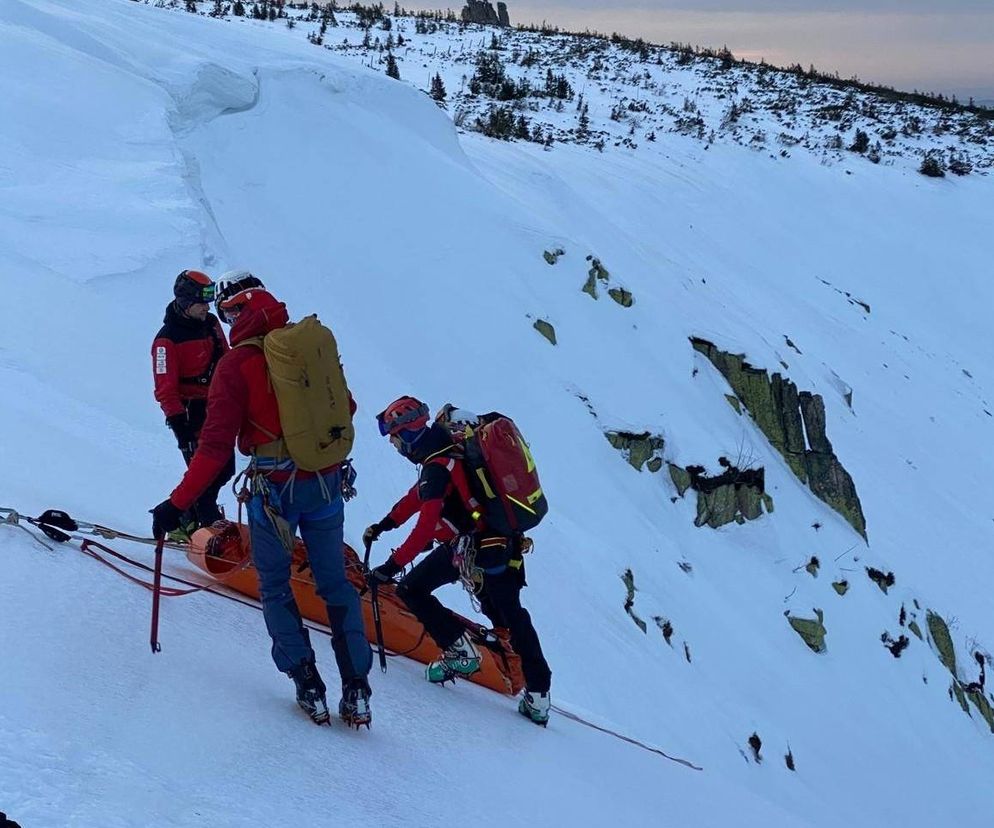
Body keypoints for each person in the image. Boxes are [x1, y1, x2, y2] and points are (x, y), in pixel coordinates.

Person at [150, 281, 373, 727]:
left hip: (275, 490)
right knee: (336, 586)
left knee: (275, 584)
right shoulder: (306, 345)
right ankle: (357, 688)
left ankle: (306, 680)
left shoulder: (237, 365)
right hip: (327, 484)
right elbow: (345, 406)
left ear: (236, 312)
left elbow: (213, 448)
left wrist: (176, 505)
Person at [365, 396, 553, 725]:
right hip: (495, 540)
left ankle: (462, 652)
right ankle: (537, 693)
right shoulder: (447, 448)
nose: (395, 446)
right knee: (509, 611)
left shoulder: (435, 466)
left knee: (412, 589)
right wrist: (386, 524)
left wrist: (389, 568)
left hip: (473, 545)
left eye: (395, 439)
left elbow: (424, 527)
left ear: (407, 435)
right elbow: (418, 497)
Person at [151, 269, 234, 537]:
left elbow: (226, 357)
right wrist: (179, 426)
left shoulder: (210, 324)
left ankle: (187, 516)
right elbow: (165, 388)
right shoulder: (166, 340)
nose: (206, 308)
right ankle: (203, 523)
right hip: (190, 414)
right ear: (186, 303)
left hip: (217, 407)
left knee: (226, 468)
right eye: (201, 303)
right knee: (204, 471)